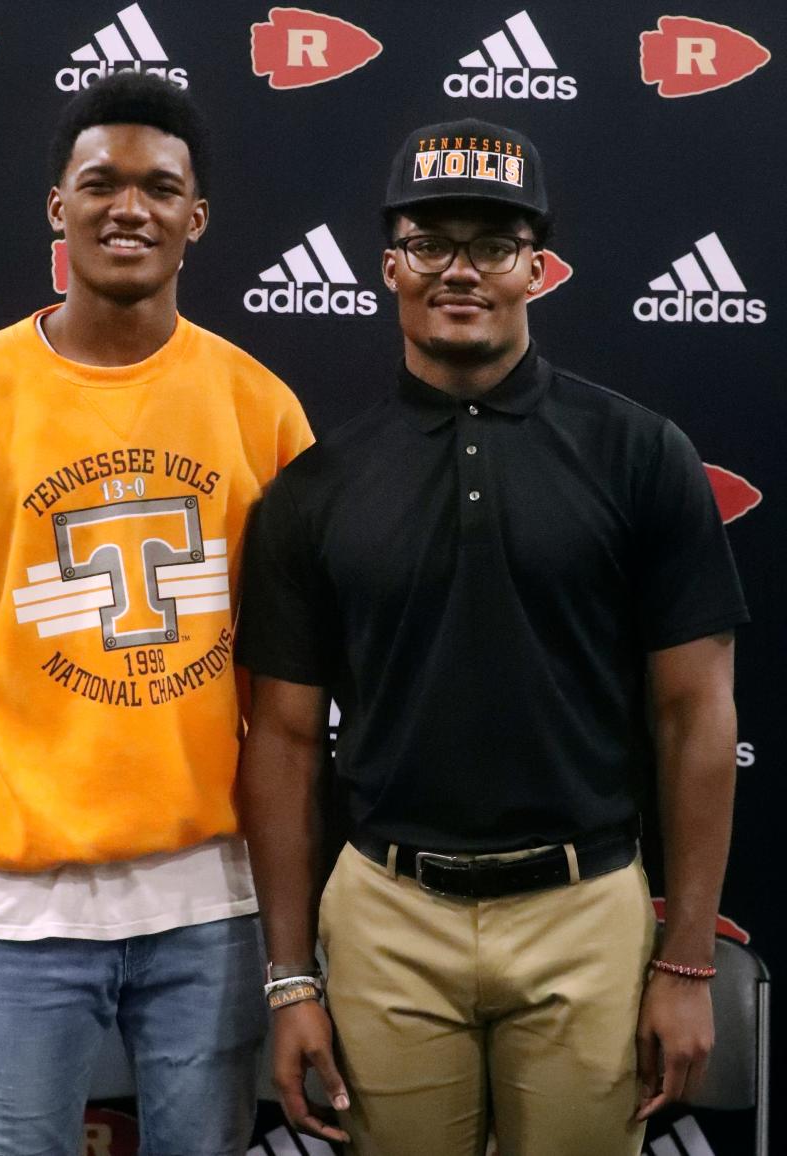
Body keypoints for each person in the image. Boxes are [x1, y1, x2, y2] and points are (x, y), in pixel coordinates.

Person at [235, 116, 748, 1156]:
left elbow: (697, 714)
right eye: (431, 243)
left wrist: (686, 959)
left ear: (537, 270)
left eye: (495, 244)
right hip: (386, 916)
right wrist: (291, 979)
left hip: (587, 907)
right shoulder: (314, 490)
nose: (459, 270)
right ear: (389, 267)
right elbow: (283, 746)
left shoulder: (641, 455)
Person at [0, 72, 312, 1156]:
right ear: (57, 204)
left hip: (211, 903)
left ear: (196, 218)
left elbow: (298, 666)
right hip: (19, 913)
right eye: (100, 182)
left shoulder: (261, 408)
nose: (129, 207)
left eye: (160, 186)